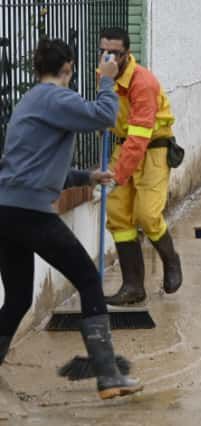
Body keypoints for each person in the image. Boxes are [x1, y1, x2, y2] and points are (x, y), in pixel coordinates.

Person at [0, 39, 142, 399]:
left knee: (17, 298)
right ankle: (109, 376)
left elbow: (36, 168)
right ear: (69, 67)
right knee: (88, 280)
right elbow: (106, 116)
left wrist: (86, 177)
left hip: (7, 210)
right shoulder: (57, 98)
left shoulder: (30, 101)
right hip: (31, 213)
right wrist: (107, 80)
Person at [99, 27, 181, 305]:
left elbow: (139, 136)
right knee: (118, 214)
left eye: (115, 53)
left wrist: (117, 175)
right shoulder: (104, 76)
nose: (108, 57)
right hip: (124, 146)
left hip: (152, 149)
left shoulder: (142, 82)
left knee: (146, 214)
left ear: (127, 54)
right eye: (103, 51)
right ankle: (133, 286)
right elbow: (107, 111)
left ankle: (171, 261)